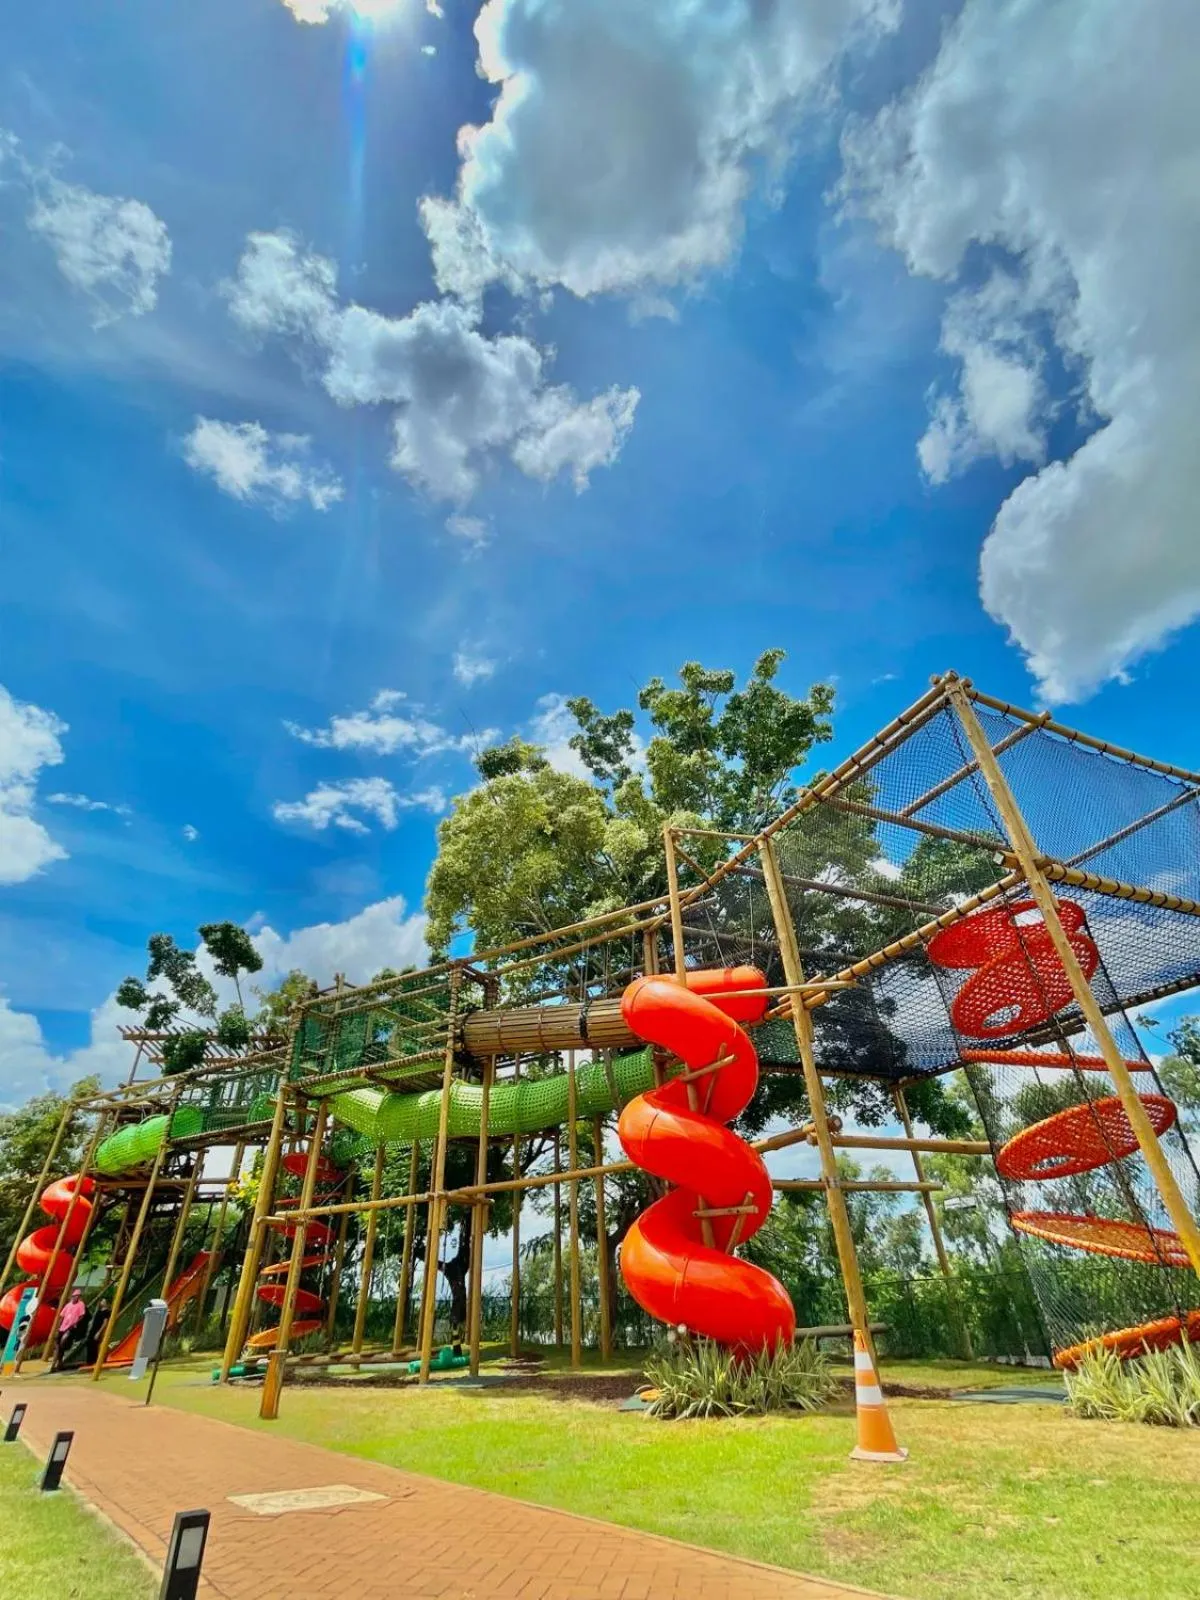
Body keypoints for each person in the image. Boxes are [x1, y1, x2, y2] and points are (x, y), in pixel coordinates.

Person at [52, 1289, 88, 1371]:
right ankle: (59, 1362)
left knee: (64, 1341)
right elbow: (62, 1316)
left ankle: (61, 1355)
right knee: (58, 1343)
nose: (76, 1298)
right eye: (75, 1296)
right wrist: (59, 1326)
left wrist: (76, 1322)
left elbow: (82, 1315)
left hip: (71, 1327)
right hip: (63, 1326)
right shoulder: (68, 1305)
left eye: (78, 1296)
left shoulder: (81, 1304)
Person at [85, 1297, 111, 1368]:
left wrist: (99, 1332)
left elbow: (105, 1322)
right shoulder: (98, 1311)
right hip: (93, 1328)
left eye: (103, 1301)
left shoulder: (107, 1312)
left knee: (94, 1344)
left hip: (98, 1329)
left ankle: (94, 1360)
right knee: (89, 1342)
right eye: (102, 1301)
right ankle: (89, 1361)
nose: (102, 1302)